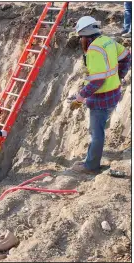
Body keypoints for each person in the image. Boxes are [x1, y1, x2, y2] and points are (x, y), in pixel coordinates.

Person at [70, 16, 131, 174]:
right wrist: (119, 76)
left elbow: (97, 81)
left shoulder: (94, 49)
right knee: (99, 129)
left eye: (81, 37)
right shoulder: (108, 40)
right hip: (114, 93)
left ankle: (91, 166)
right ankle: (92, 160)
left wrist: (81, 96)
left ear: (87, 34)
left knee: (96, 133)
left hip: (101, 98)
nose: (81, 40)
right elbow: (126, 56)